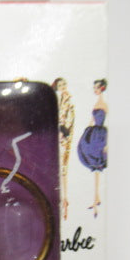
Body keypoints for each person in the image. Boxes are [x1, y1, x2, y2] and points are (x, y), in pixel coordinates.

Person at [77, 79, 108, 217]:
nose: (94, 90)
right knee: (95, 169)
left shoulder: (105, 104)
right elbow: (92, 120)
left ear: (101, 88)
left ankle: (97, 198)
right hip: (94, 133)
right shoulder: (97, 103)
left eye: (96, 88)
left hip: (100, 135)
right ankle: (96, 198)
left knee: (97, 166)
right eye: (94, 88)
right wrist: (86, 132)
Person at [51, 78, 74, 220]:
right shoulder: (57, 101)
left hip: (64, 138)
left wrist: (63, 132)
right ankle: (61, 201)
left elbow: (69, 121)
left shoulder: (69, 101)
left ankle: (65, 200)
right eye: (60, 85)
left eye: (64, 84)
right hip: (56, 137)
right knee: (57, 169)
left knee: (64, 169)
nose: (63, 87)